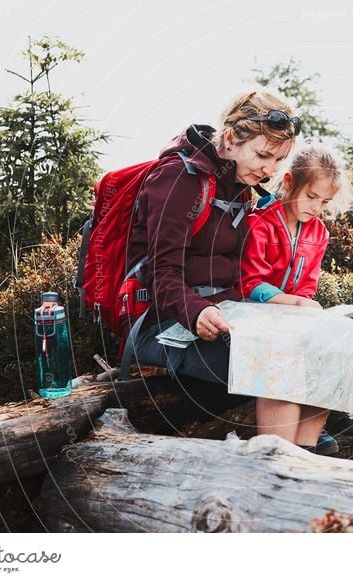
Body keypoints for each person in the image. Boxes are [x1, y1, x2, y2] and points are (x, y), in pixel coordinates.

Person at [125, 90, 308, 438]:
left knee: (307, 341)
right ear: (230, 138)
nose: (269, 169)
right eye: (263, 155)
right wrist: (195, 312)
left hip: (224, 313)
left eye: (278, 159)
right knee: (278, 363)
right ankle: (283, 473)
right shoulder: (178, 181)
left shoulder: (237, 180)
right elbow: (161, 274)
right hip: (159, 326)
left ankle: (307, 444)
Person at [238, 144, 353, 455]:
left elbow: (308, 285)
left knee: (328, 342)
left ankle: (308, 437)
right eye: (311, 197)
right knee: (287, 351)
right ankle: (284, 444)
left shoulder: (318, 233)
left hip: (291, 317)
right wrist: (291, 303)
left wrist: (303, 304)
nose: (317, 207)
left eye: (325, 201)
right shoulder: (260, 223)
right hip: (255, 314)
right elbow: (249, 283)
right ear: (288, 183)